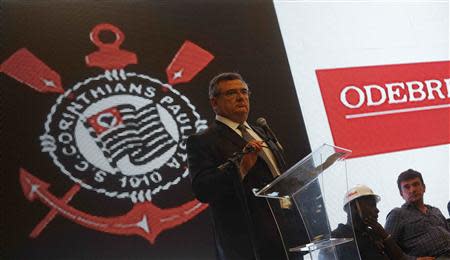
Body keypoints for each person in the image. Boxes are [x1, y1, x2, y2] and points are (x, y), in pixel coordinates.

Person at [187, 72, 308, 260]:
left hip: (287, 233)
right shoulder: (203, 141)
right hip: (249, 242)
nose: (240, 97)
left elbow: (278, 177)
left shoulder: (261, 131)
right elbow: (203, 189)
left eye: (244, 92)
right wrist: (240, 168)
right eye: (231, 93)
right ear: (214, 103)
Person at [323, 184, 409, 260]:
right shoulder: (337, 238)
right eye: (372, 205)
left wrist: (382, 233)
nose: (377, 210)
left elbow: (401, 258)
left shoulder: (373, 233)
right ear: (355, 207)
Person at [385, 169, 450, 259]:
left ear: (424, 188)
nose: (412, 190)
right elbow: (387, 249)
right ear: (401, 194)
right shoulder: (397, 214)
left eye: (415, 184)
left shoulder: (435, 210)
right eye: (407, 187)